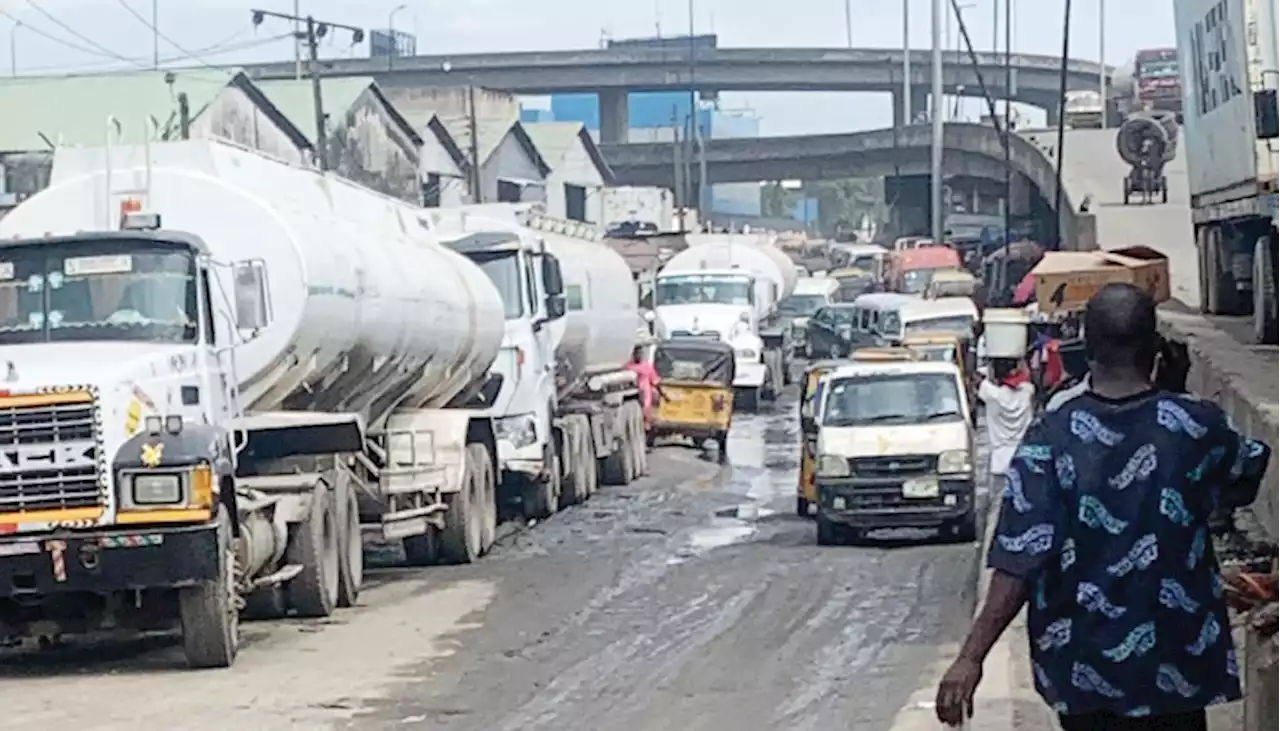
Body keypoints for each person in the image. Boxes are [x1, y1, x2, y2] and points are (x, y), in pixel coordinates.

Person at [935, 283, 1271, 731]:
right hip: (1178, 671)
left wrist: (970, 658)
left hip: (1084, 675)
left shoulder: (1050, 438)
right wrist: (1177, 391)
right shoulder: (1197, 426)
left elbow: (1020, 560)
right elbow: (1244, 475)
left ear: (1086, 348)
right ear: (1156, 348)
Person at [976, 357, 1036, 484]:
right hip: (1023, 460)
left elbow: (976, 377)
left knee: (997, 502)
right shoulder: (1027, 391)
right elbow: (1027, 373)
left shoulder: (991, 394)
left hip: (999, 462)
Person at [624, 345, 660, 428]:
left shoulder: (647, 366)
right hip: (633, 395)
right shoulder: (628, 366)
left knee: (646, 413)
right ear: (633, 354)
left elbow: (655, 381)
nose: (639, 355)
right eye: (637, 353)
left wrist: (662, 394)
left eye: (640, 353)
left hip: (645, 394)